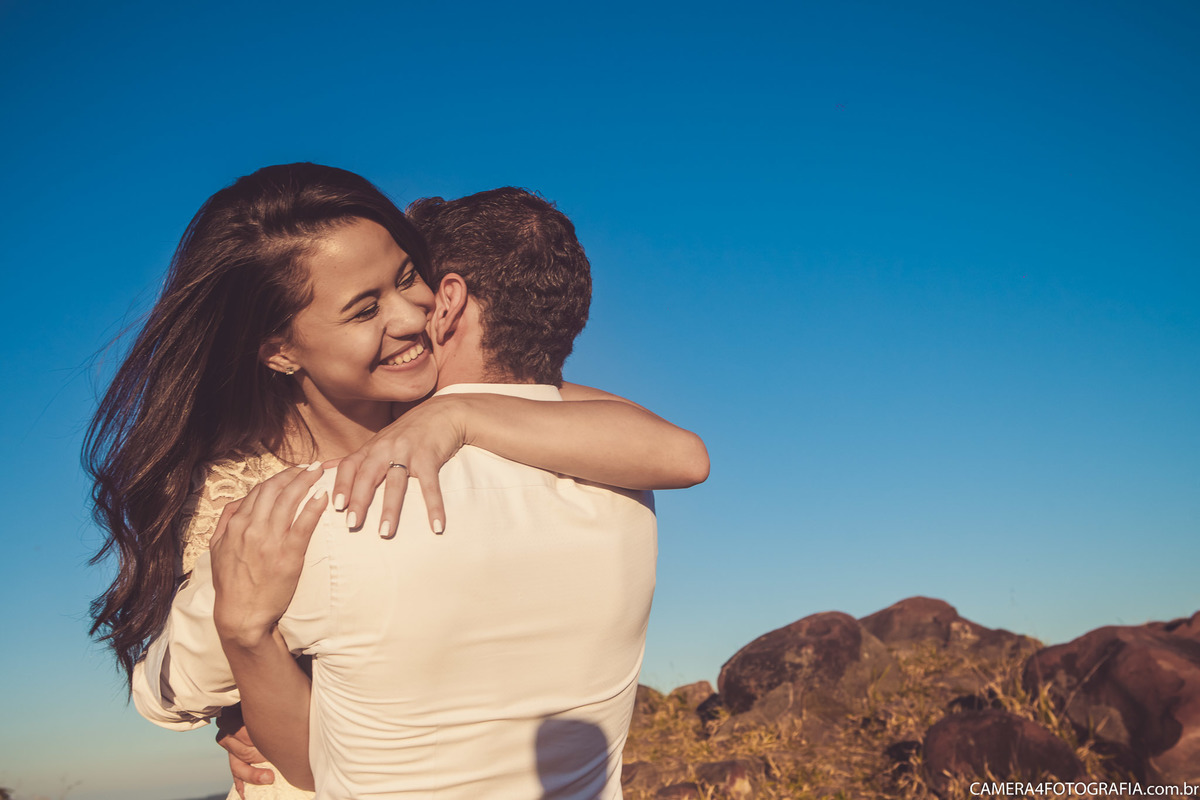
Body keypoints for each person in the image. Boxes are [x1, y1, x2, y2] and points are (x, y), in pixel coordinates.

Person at [87, 166, 706, 798]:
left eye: (408, 276)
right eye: (363, 309)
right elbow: (185, 684)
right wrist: (241, 698)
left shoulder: (443, 395)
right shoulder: (246, 498)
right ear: (279, 350)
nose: (412, 316)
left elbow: (675, 452)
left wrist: (457, 413)